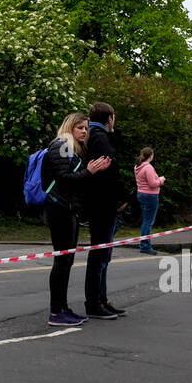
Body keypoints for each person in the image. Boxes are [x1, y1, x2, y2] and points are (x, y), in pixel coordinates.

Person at [41, 114, 111, 326]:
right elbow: (65, 179)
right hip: (59, 209)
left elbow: (73, 180)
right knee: (62, 261)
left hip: (67, 208)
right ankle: (56, 311)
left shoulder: (72, 149)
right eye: (79, 127)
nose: (84, 131)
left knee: (67, 261)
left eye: (86, 128)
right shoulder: (62, 146)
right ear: (69, 128)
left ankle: (62, 307)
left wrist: (91, 171)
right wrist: (89, 171)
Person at [82, 102, 127, 320]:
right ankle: (94, 302)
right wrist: (122, 197)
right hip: (103, 204)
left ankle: (101, 299)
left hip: (97, 202)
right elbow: (110, 171)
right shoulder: (100, 138)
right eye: (114, 117)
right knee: (100, 254)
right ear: (109, 118)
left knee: (102, 254)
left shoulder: (92, 136)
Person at [134, 147, 165, 255]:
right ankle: (145, 246)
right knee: (148, 222)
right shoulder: (148, 168)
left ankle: (144, 243)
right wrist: (161, 180)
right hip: (150, 196)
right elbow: (152, 183)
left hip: (141, 194)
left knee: (145, 220)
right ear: (151, 156)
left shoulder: (137, 166)